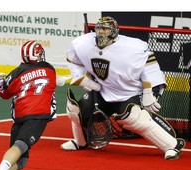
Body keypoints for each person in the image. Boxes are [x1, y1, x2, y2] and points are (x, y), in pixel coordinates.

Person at [60, 16, 185, 160]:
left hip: (129, 93)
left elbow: (149, 67)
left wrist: (150, 92)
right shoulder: (82, 43)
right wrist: (86, 81)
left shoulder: (132, 48)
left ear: (114, 31)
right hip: (103, 91)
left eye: (106, 29)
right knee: (75, 111)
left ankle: (171, 145)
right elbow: (74, 60)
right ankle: (80, 142)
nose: (101, 32)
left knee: (134, 118)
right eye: (99, 28)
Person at [0, 40, 57, 170]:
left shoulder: (17, 72)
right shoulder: (49, 68)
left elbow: (4, 94)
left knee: (22, 161)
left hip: (20, 115)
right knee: (21, 145)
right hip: (37, 114)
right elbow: (51, 82)